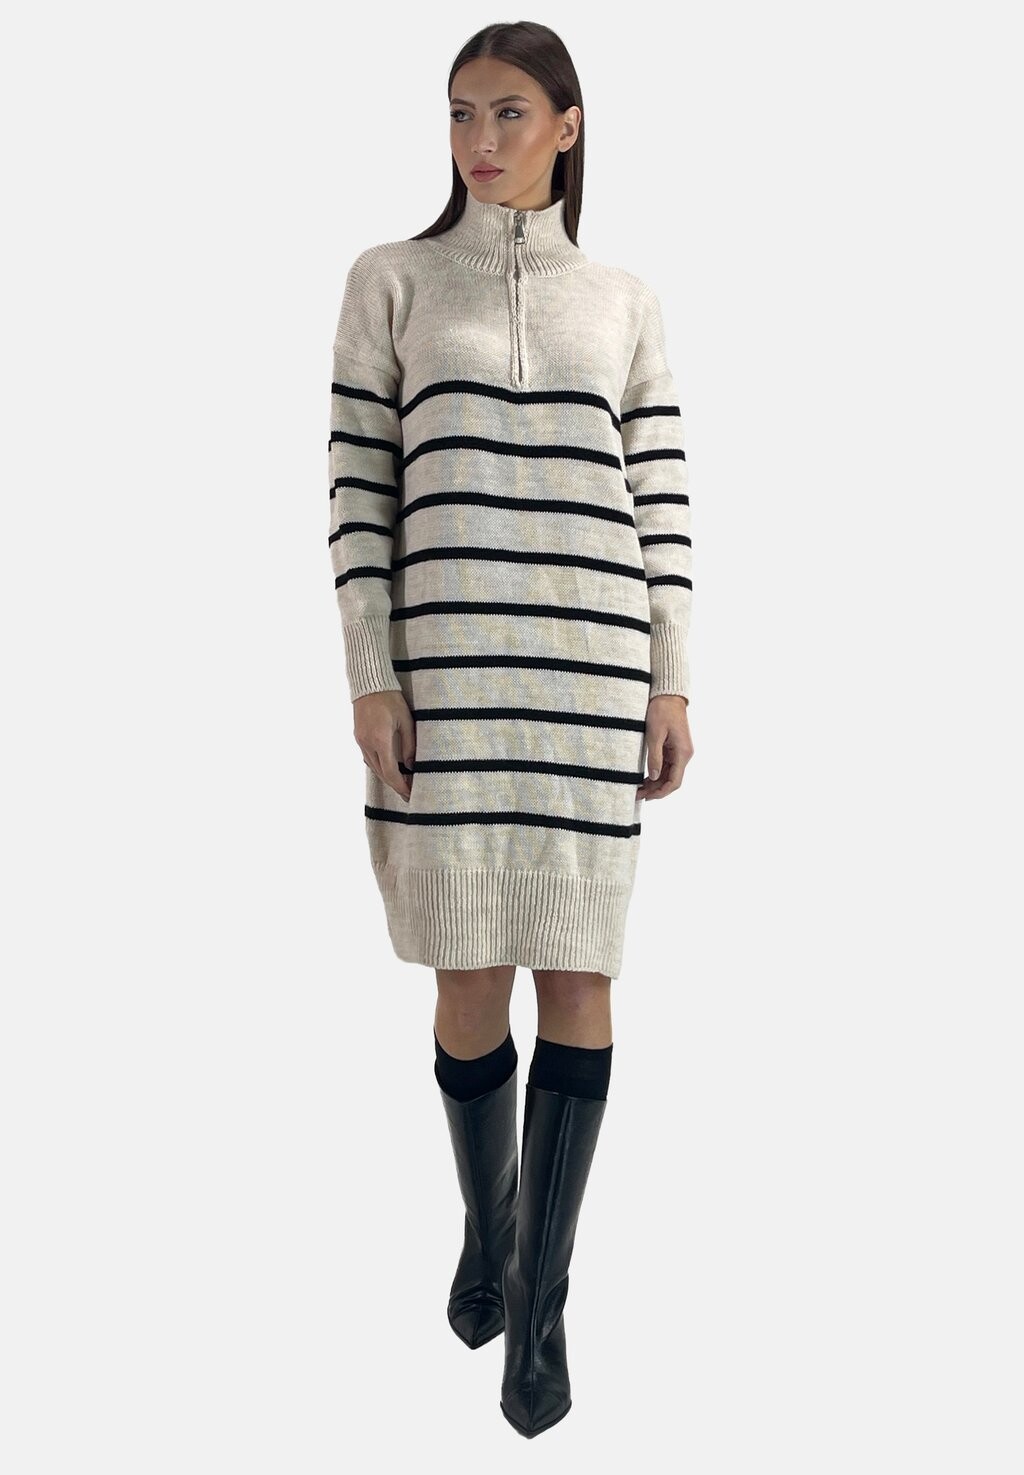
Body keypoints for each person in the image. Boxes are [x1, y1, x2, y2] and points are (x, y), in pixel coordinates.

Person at [327, 21, 694, 1437]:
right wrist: (373, 672)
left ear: (568, 126)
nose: (479, 141)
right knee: (469, 976)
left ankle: (538, 1311)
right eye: (459, 114)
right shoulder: (393, 280)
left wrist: (671, 679)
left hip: (588, 678)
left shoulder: (626, 300)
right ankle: (488, 1232)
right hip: (449, 676)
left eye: (509, 113)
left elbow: (661, 501)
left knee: (582, 976)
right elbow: (358, 489)